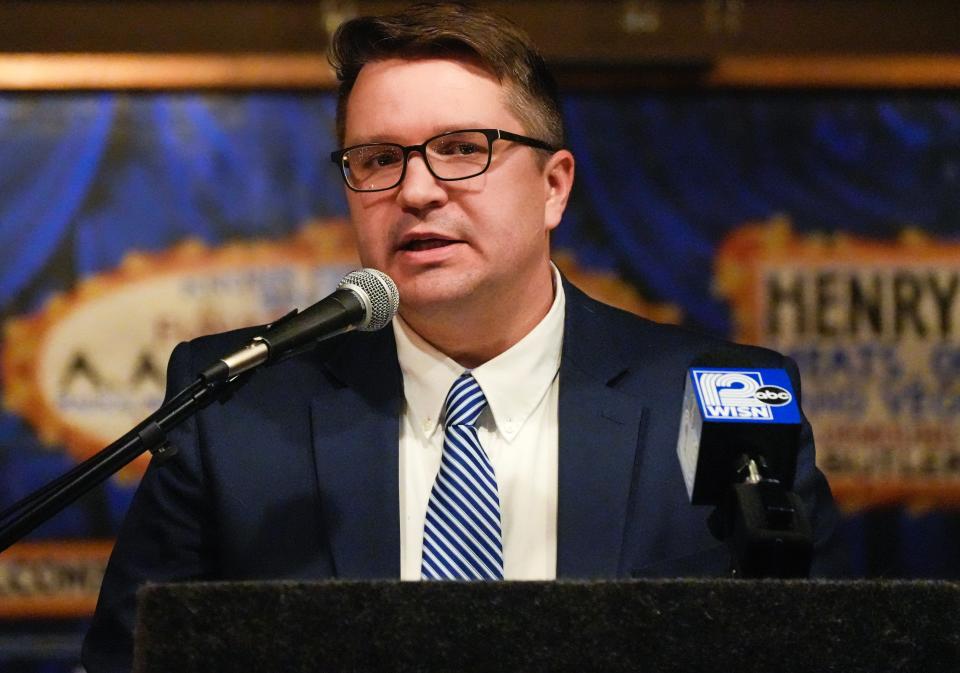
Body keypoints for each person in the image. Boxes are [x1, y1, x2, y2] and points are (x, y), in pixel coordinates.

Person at [82, 3, 846, 671]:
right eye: (378, 159)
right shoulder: (239, 405)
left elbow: (833, 645)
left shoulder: (720, 397)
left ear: (554, 186)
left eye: (460, 149)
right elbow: (131, 657)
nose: (415, 190)